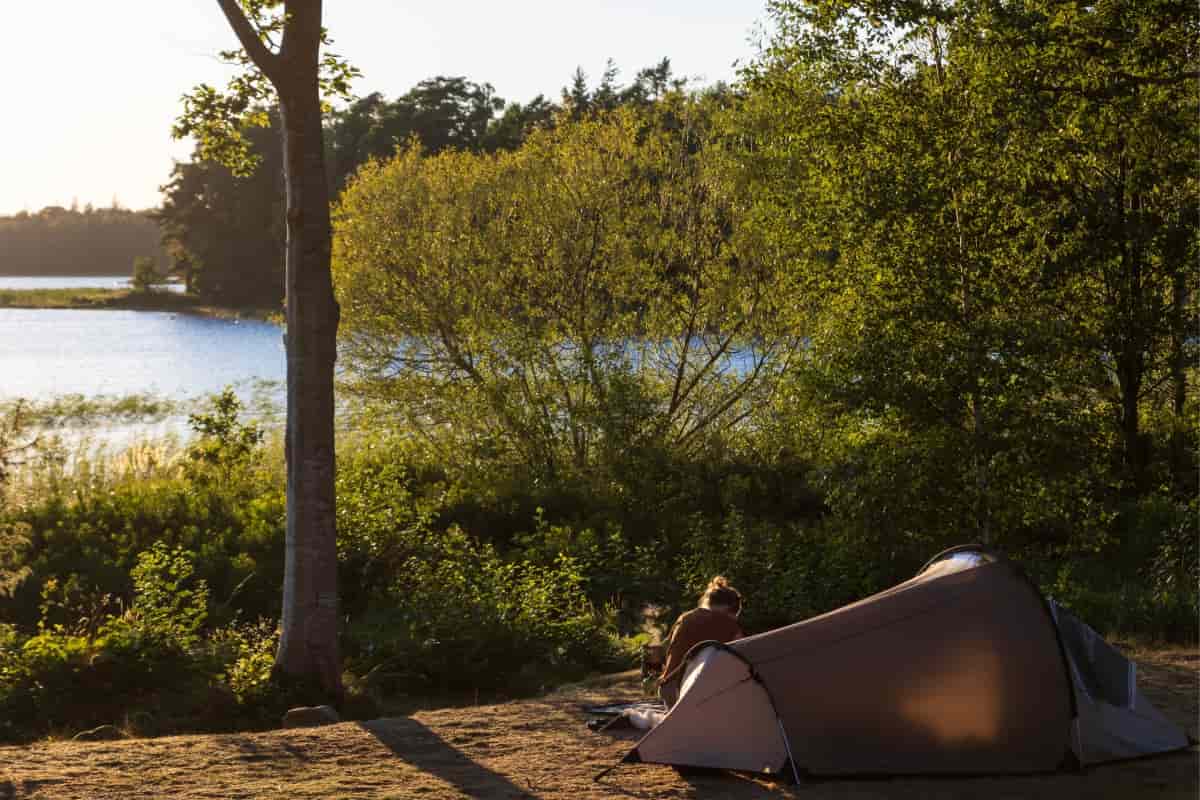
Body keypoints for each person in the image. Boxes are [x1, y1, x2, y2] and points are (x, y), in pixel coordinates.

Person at [657, 576, 744, 708]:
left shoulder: (685, 617)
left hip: (668, 691)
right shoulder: (729, 624)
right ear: (729, 610)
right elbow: (742, 661)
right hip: (695, 695)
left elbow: (669, 653)